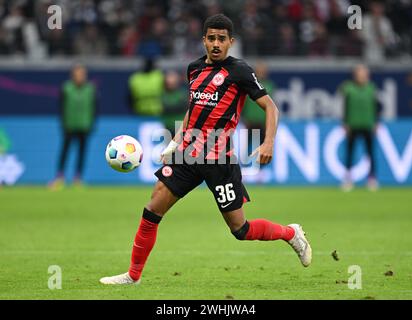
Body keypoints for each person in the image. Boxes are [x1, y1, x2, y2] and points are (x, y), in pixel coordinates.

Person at [100, 14, 312, 285]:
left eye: (221, 39)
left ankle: (290, 234)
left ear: (230, 42)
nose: (216, 43)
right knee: (153, 208)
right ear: (203, 40)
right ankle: (133, 275)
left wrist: (268, 141)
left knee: (240, 229)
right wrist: (177, 141)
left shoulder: (240, 71)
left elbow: (270, 106)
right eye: (211, 38)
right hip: (187, 154)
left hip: (219, 160)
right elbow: (194, 109)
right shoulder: (194, 69)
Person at [49, 64, 97, 189]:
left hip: (84, 125)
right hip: (69, 125)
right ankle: (60, 177)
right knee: (65, 151)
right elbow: (61, 107)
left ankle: (78, 178)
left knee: (82, 152)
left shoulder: (90, 89)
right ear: (73, 75)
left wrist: (92, 124)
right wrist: (63, 123)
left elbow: (94, 108)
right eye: (78, 74)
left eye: (82, 74)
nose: (80, 77)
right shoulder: (66, 88)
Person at [340, 64, 379, 191]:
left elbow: (376, 107)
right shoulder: (349, 88)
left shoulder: (371, 88)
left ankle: (372, 178)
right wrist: (345, 123)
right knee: (350, 152)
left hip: (368, 124)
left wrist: (376, 122)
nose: (362, 75)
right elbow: (345, 107)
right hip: (353, 124)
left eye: (364, 73)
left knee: (370, 153)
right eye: (359, 72)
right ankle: (348, 178)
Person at [241, 62, 276, 183]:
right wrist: (244, 118)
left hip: (262, 123)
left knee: (263, 148)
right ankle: (244, 171)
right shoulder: (249, 85)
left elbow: (272, 106)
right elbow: (243, 104)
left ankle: (259, 172)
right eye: (260, 70)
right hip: (250, 122)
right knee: (246, 148)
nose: (262, 72)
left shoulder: (270, 86)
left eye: (263, 70)